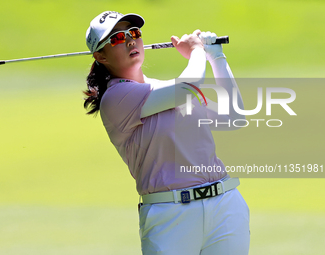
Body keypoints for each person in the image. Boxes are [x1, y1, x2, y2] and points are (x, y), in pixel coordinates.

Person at [84, 11, 250, 255]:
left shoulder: (167, 89)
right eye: (118, 38)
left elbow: (234, 117)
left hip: (225, 205)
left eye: (134, 33)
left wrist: (216, 57)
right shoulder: (115, 98)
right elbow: (187, 87)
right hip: (171, 216)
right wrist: (195, 51)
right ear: (101, 56)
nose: (131, 40)